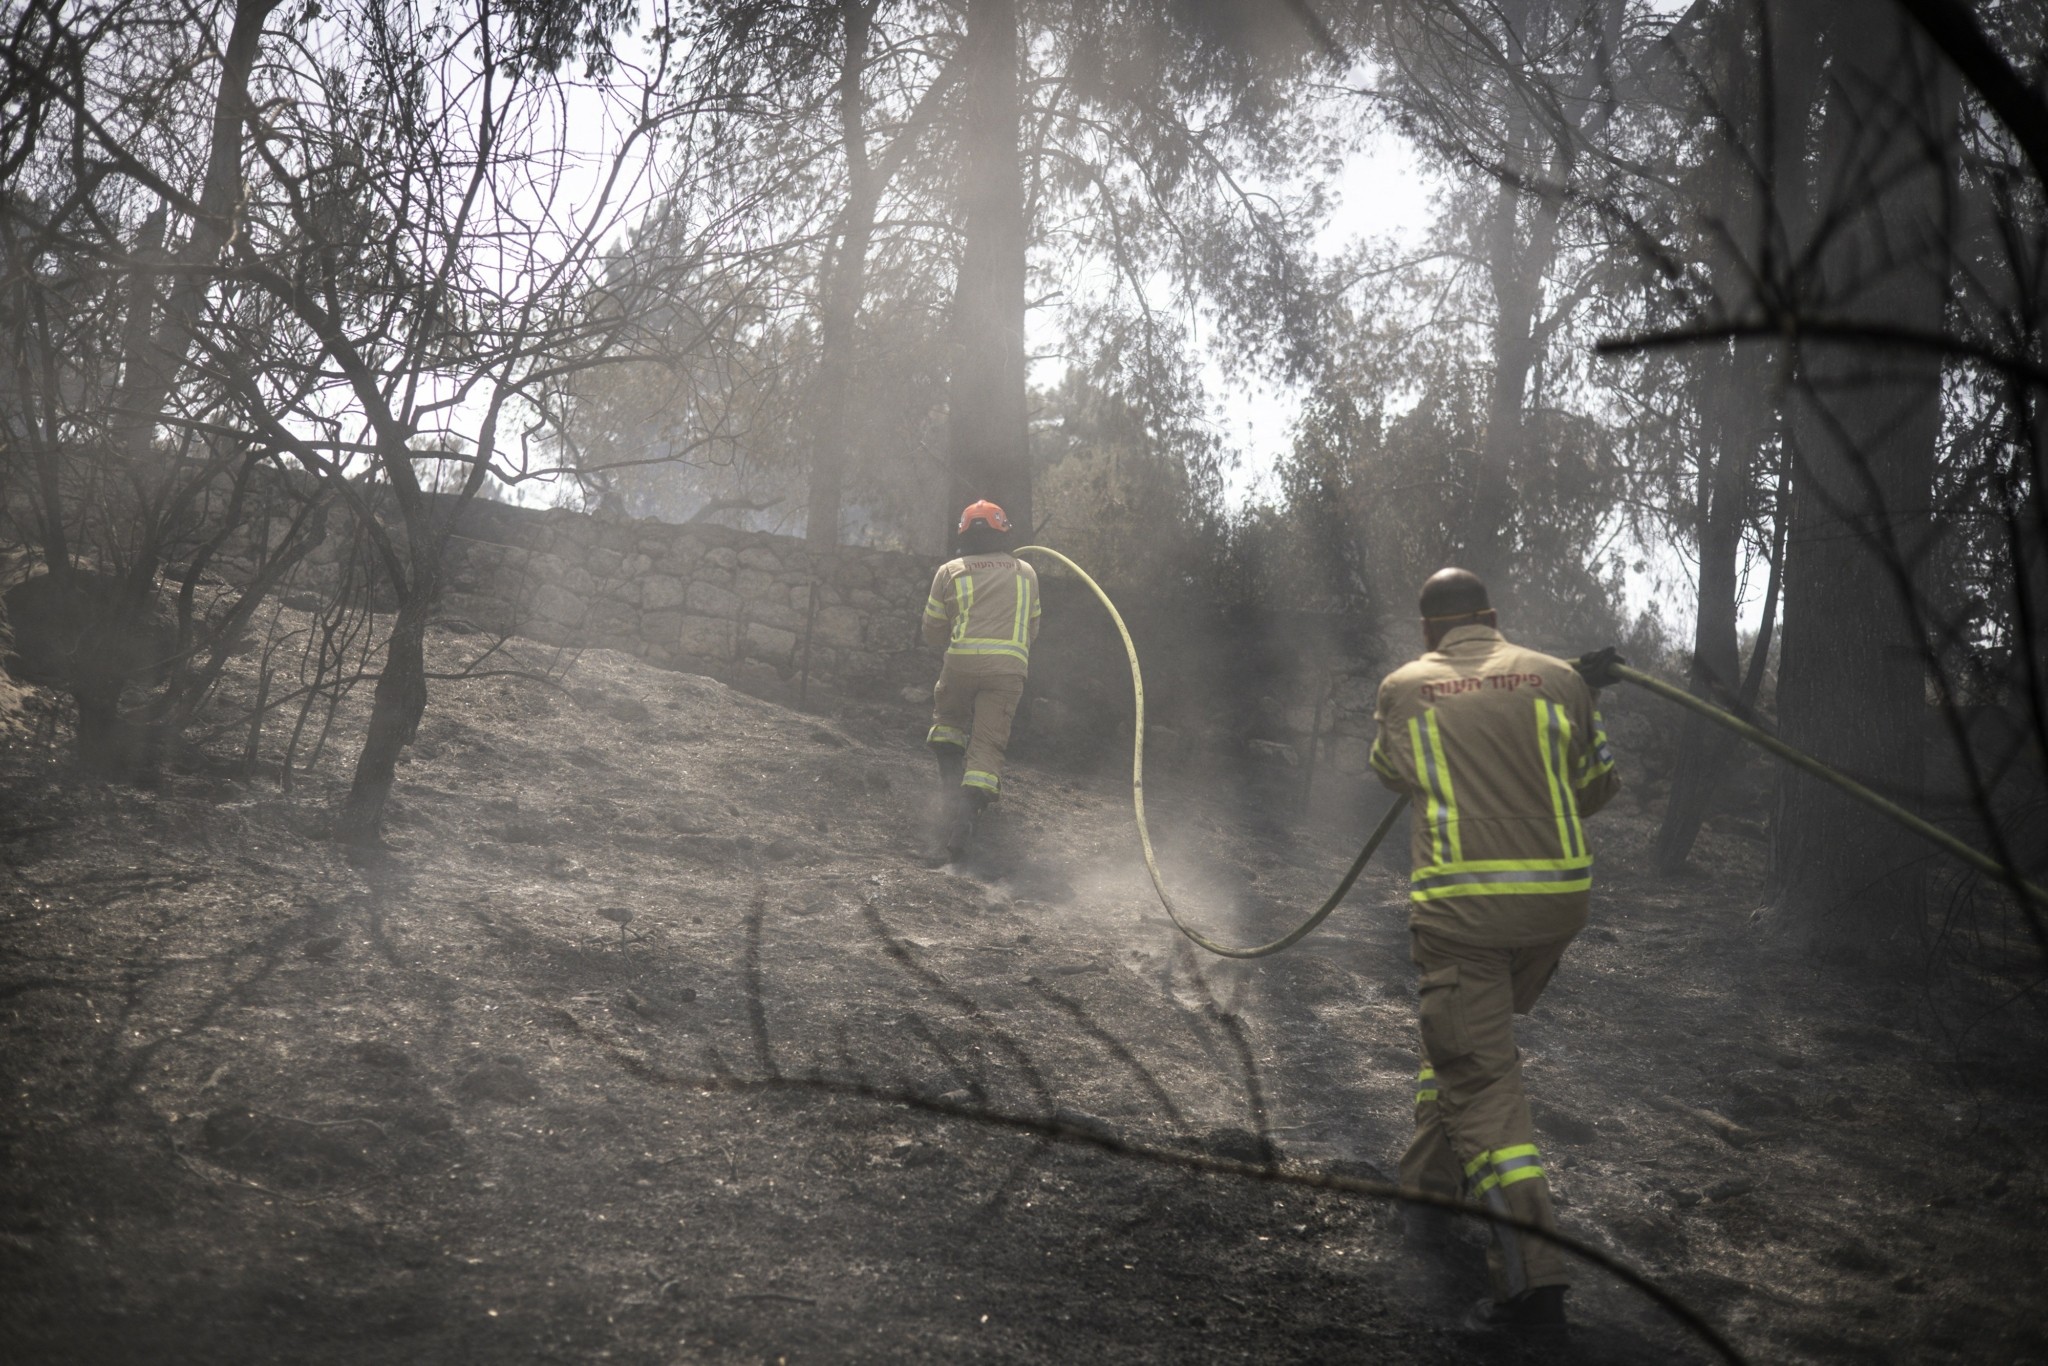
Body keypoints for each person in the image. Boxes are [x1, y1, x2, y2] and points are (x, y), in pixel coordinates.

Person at [1368, 567, 1620, 1338]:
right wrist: (1559, 701)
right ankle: (1428, 1193)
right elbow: (1595, 788)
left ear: (1427, 630)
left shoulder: (1404, 688)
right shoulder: (1561, 680)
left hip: (1464, 914)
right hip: (1555, 908)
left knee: (1477, 1078)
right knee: (1461, 1041)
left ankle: (1532, 1286)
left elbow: (1389, 770)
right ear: (1493, 615)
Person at [921, 500, 1041, 858]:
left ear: (963, 534)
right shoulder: (1026, 573)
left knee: (948, 723)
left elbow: (932, 631)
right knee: (988, 744)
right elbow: (1032, 629)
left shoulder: (949, 571)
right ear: (1003, 532)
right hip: (1007, 669)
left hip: (961, 663)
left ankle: (949, 793)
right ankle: (965, 817)